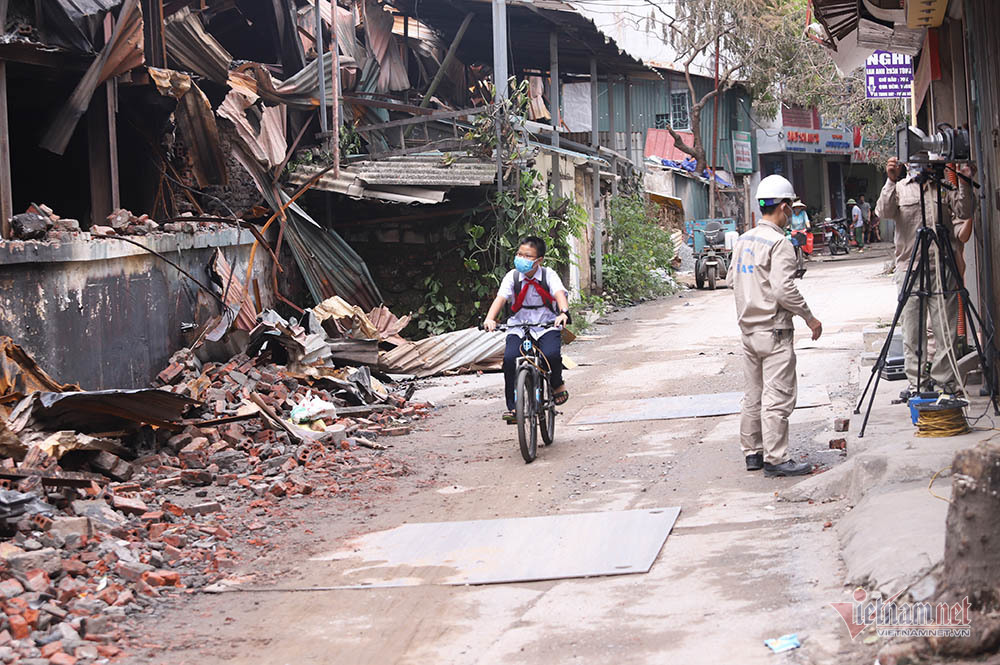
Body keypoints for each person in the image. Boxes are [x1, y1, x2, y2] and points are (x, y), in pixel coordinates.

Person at [726, 175, 823, 478]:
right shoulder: (779, 243)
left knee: (753, 395)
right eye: (790, 208)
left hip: (748, 333)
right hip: (775, 332)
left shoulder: (744, 240)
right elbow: (784, 290)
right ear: (782, 207)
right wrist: (809, 317)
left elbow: (732, 280)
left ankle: (752, 453)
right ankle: (776, 458)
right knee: (777, 397)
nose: (791, 214)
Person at [875, 157, 976, 396]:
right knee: (913, 332)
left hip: (942, 268)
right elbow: (884, 211)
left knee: (947, 331)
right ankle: (918, 386)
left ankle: (945, 384)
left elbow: (965, 210)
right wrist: (890, 179)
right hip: (910, 270)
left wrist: (965, 182)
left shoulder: (943, 187)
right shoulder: (899, 188)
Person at [483, 236, 571, 422]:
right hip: (518, 326)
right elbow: (500, 299)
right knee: (508, 360)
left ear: (539, 260)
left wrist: (563, 313)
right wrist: (490, 319)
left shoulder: (548, 275)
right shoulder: (512, 277)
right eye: (519, 254)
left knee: (551, 355)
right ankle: (514, 408)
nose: (521, 258)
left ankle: (556, 383)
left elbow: (559, 294)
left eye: (527, 256)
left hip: (546, 324)